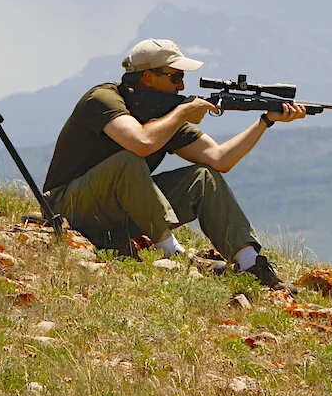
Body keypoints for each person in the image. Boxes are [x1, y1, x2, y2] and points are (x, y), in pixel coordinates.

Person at [43, 38, 306, 289]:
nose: (181, 86)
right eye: (175, 77)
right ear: (148, 77)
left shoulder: (164, 117)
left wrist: (265, 121)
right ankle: (173, 253)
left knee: (203, 178)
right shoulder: (102, 99)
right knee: (127, 160)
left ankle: (250, 263)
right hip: (67, 208)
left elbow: (220, 159)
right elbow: (141, 143)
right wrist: (182, 112)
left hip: (117, 216)